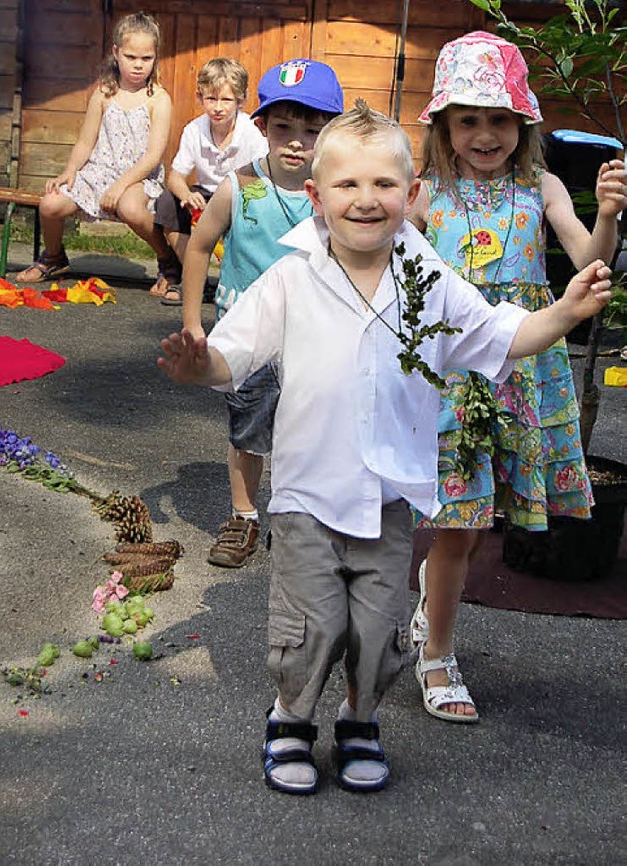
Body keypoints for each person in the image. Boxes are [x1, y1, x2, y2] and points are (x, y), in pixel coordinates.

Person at [158, 101, 613, 795]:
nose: (366, 200)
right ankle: (290, 718)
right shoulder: (291, 277)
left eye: (383, 185)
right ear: (316, 195)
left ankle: (361, 718)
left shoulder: (428, 278)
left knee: (376, 633)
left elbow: (499, 335)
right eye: (346, 185)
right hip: (309, 495)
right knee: (310, 629)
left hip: (390, 499)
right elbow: (233, 354)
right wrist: (202, 367)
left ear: (410, 194)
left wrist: (564, 313)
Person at [408, 31, 627, 723]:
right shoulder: (425, 192)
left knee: (478, 524)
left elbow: (588, 263)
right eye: (468, 119)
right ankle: (437, 653)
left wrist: (612, 216)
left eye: (499, 118)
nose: (484, 133)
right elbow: (385, 269)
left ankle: (428, 596)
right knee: (456, 523)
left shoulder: (543, 185)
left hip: (528, 368)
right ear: (443, 125)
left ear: (523, 124)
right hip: (450, 374)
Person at [180, 58, 343, 567]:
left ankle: (300, 521)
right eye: (283, 128)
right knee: (247, 431)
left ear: (331, 132)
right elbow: (199, 246)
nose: (297, 142)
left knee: (310, 429)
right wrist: (191, 321)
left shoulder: (336, 195)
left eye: (312, 131)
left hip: (312, 336)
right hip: (249, 339)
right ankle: (244, 516)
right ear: (262, 127)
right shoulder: (240, 186)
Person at [16, 11, 175, 285]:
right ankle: (54, 258)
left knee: (132, 209)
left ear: (155, 57)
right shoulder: (104, 92)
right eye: (131, 57)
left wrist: (120, 186)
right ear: (116, 53)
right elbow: (85, 142)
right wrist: (70, 169)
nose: (138, 65)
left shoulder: (158, 99)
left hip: (139, 178)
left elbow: (153, 156)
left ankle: (168, 260)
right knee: (50, 203)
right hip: (99, 172)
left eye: (146, 58)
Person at [151, 57, 268, 304]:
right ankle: (195, 276)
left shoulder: (251, 130)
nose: (218, 107)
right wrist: (185, 195)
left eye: (226, 100)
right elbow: (176, 177)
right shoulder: (195, 129)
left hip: (242, 191)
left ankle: (241, 279)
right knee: (167, 202)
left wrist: (226, 201)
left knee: (257, 206)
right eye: (211, 99)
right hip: (205, 194)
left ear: (240, 101)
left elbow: (261, 175)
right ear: (199, 98)